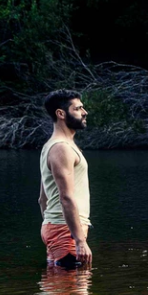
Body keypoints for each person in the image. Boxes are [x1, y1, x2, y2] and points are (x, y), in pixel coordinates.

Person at [39, 90, 92, 268]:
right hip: (66, 230)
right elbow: (66, 197)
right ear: (61, 114)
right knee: (74, 291)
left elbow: (42, 198)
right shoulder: (61, 148)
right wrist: (79, 239)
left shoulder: (51, 146)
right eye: (78, 108)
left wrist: (50, 226)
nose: (85, 112)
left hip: (59, 227)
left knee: (59, 291)